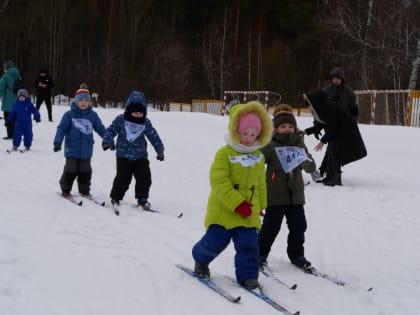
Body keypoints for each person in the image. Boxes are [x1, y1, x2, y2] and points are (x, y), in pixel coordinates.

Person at [191, 101, 273, 290]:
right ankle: (200, 259)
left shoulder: (258, 157)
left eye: (253, 135)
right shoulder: (224, 154)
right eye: (245, 133)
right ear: (236, 131)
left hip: (248, 212)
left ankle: (248, 276)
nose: (248, 138)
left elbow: (260, 184)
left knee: (249, 245)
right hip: (223, 210)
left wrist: (261, 205)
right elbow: (219, 182)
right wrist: (237, 204)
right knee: (215, 242)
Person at [258, 104, 316, 272]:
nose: (287, 129)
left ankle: (296, 255)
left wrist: (305, 162)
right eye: (283, 126)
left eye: (290, 126)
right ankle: (259, 254)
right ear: (276, 129)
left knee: (299, 226)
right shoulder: (271, 144)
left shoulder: (299, 144)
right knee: (270, 227)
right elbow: (258, 159)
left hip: (296, 195)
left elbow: (311, 167)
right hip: (276, 195)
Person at [102, 91, 164, 209]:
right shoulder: (121, 120)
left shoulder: (145, 122)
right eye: (135, 112)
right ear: (129, 110)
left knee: (145, 178)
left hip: (141, 157)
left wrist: (159, 150)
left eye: (140, 112)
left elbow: (153, 136)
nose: (137, 115)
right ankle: (116, 197)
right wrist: (107, 141)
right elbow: (110, 131)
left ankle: (142, 199)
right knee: (123, 179)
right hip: (123, 156)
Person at [304, 90, 367, 186]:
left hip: (346, 132)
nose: (308, 108)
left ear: (313, 102)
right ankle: (329, 177)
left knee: (334, 152)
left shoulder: (327, 108)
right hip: (339, 132)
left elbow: (331, 127)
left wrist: (322, 141)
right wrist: (306, 131)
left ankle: (335, 179)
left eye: (308, 105)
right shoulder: (322, 108)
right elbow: (321, 124)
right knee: (331, 151)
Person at [53, 88, 106, 197]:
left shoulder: (93, 116)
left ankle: (84, 190)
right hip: (72, 148)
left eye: (86, 100)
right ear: (76, 101)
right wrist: (58, 142)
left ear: (89, 102)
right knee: (71, 169)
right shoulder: (69, 115)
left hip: (86, 149)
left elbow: (100, 128)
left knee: (85, 171)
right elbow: (61, 128)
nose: (83, 102)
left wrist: (107, 139)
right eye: (81, 100)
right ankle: (65, 189)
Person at [316, 67, 359, 183]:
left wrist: (353, 122)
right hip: (331, 124)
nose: (335, 80)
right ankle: (326, 171)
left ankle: (331, 174)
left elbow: (354, 108)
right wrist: (317, 124)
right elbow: (320, 109)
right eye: (334, 78)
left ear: (342, 79)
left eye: (338, 78)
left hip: (344, 124)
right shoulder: (326, 91)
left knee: (334, 147)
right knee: (332, 147)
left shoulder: (349, 92)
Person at [0, 60, 22, 139]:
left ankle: (10, 135)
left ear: (6, 68)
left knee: (8, 117)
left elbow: (1, 88)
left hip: (8, 102)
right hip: (17, 101)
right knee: (16, 118)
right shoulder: (18, 75)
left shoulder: (5, 76)